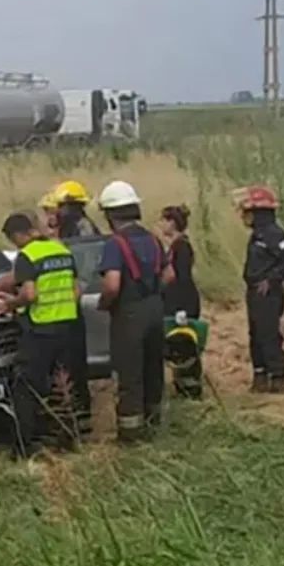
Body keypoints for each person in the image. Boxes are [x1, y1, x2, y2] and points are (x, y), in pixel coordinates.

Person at [0, 212, 86, 458]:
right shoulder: (62, 251)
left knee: (26, 386)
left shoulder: (27, 256)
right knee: (63, 384)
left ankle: (24, 446)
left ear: (17, 235)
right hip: (68, 327)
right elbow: (76, 292)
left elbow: (29, 295)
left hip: (40, 330)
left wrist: (10, 305)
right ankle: (68, 440)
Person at [95, 180, 174, 443]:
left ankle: (131, 435)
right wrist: (151, 293)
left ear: (109, 214)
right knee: (153, 369)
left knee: (130, 374)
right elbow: (169, 275)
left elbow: (112, 284)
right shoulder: (152, 238)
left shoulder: (114, 244)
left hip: (129, 313)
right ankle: (154, 426)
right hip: (154, 308)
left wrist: (105, 304)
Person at [237, 184, 284, 394]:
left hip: (268, 294)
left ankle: (277, 376)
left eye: (248, 212)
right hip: (255, 292)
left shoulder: (273, 234)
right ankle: (260, 375)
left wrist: (272, 279)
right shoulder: (258, 234)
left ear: (259, 213)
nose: (244, 216)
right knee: (255, 333)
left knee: (269, 334)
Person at [158, 204, 204, 399]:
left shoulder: (181, 247)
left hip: (183, 302)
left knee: (184, 344)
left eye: (164, 220)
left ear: (172, 223)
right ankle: (182, 386)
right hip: (177, 301)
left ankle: (190, 388)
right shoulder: (174, 246)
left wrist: (181, 307)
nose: (161, 225)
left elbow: (182, 278)